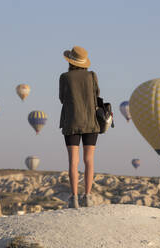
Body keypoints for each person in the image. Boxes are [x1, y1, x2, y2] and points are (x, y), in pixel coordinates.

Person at [59, 46, 100, 208]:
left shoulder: (65, 77)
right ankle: (88, 196)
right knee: (89, 160)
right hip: (90, 121)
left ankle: (74, 198)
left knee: (73, 162)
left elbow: (62, 98)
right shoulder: (91, 76)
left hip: (71, 122)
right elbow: (96, 95)